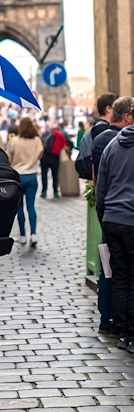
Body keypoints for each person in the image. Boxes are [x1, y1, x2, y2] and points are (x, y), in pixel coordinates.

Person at [91, 96, 134, 336]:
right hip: (130, 220)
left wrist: (104, 219)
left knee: (119, 276)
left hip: (112, 220)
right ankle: (131, 329)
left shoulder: (111, 146)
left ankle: (120, 327)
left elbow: (101, 190)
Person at [7, 117, 43, 246]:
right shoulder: (37, 140)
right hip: (32, 175)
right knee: (31, 207)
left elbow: (8, 158)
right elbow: (40, 153)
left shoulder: (14, 141)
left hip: (17, 176)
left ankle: (22, 235)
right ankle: (33, 234)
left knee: (19, 208)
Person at [39, 123, 68, 198]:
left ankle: (44, 191)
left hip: (45, 157)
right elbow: (65, 147)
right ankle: (55, 191)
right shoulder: (60, 135)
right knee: (55, 175)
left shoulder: (46, 133)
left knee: (44, 175)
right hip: (55, 157)